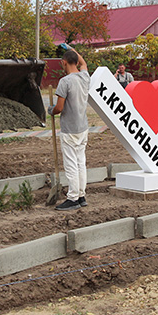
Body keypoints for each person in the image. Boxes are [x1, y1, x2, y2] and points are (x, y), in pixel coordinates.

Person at [48, 48, 90, 211]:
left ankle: (73, 198)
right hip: (83, 127)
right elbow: (84, 63)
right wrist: (73, 51)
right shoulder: (85, 76)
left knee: (72, 164)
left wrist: (51, 110)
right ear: (76, 62)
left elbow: (59, 107)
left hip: (70, 130)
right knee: (81, 163)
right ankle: (81, 195)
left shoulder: (65, 81)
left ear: (64, 62)